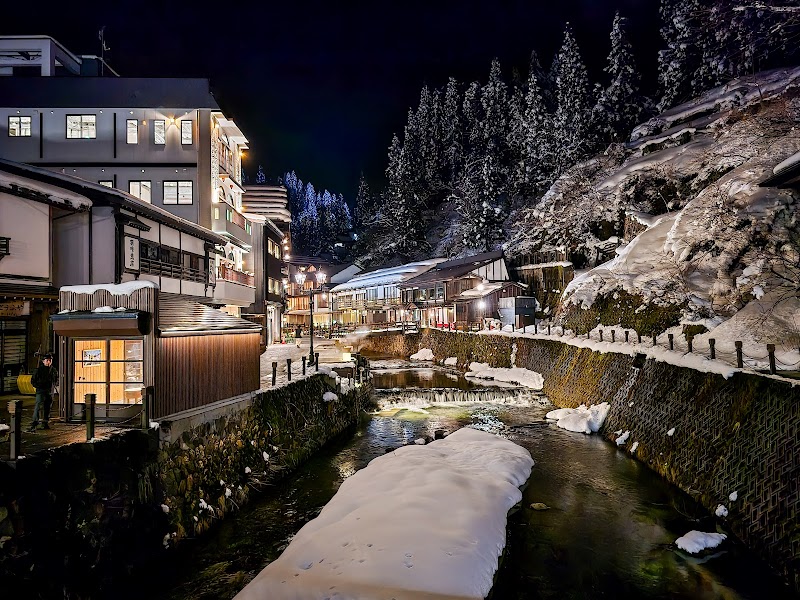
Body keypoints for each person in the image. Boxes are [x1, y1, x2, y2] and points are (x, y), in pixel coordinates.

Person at [29, 352, 58, 431]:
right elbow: (33, 381)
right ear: (43, 361)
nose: (48, 362)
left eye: (50, 360)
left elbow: (55, 379)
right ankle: (35, 422)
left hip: (49, 391)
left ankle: (45, 422)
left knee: (47, 407)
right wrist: (39, 386)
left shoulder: (53, 370)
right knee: (38, 406)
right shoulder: (39, 370)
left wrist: (53, 386)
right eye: (47, 360)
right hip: (41, 390)